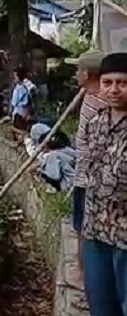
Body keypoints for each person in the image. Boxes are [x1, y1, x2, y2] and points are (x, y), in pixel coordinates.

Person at [78, 52, 127, 316]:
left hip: (125, 237)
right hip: (96, 231)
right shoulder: (95, 123)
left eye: (122, 83)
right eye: (108, 83)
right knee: (101, 306)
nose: (114, 90)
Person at [69, 49, 106, 288]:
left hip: (89, 179)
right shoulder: (89, 96)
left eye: (78, 70)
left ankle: (83, 276)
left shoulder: (98, 103)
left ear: (87, 73)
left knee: (84, 227)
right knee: (82, 226)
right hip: (84, 174)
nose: (75, 74)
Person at [9, 67, 33, 139]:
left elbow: (15, 102)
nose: (14, 78)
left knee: (18, 131)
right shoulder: (20, 87)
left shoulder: (21, 88)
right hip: (19, 112)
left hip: (20, 113)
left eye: (15, 77)